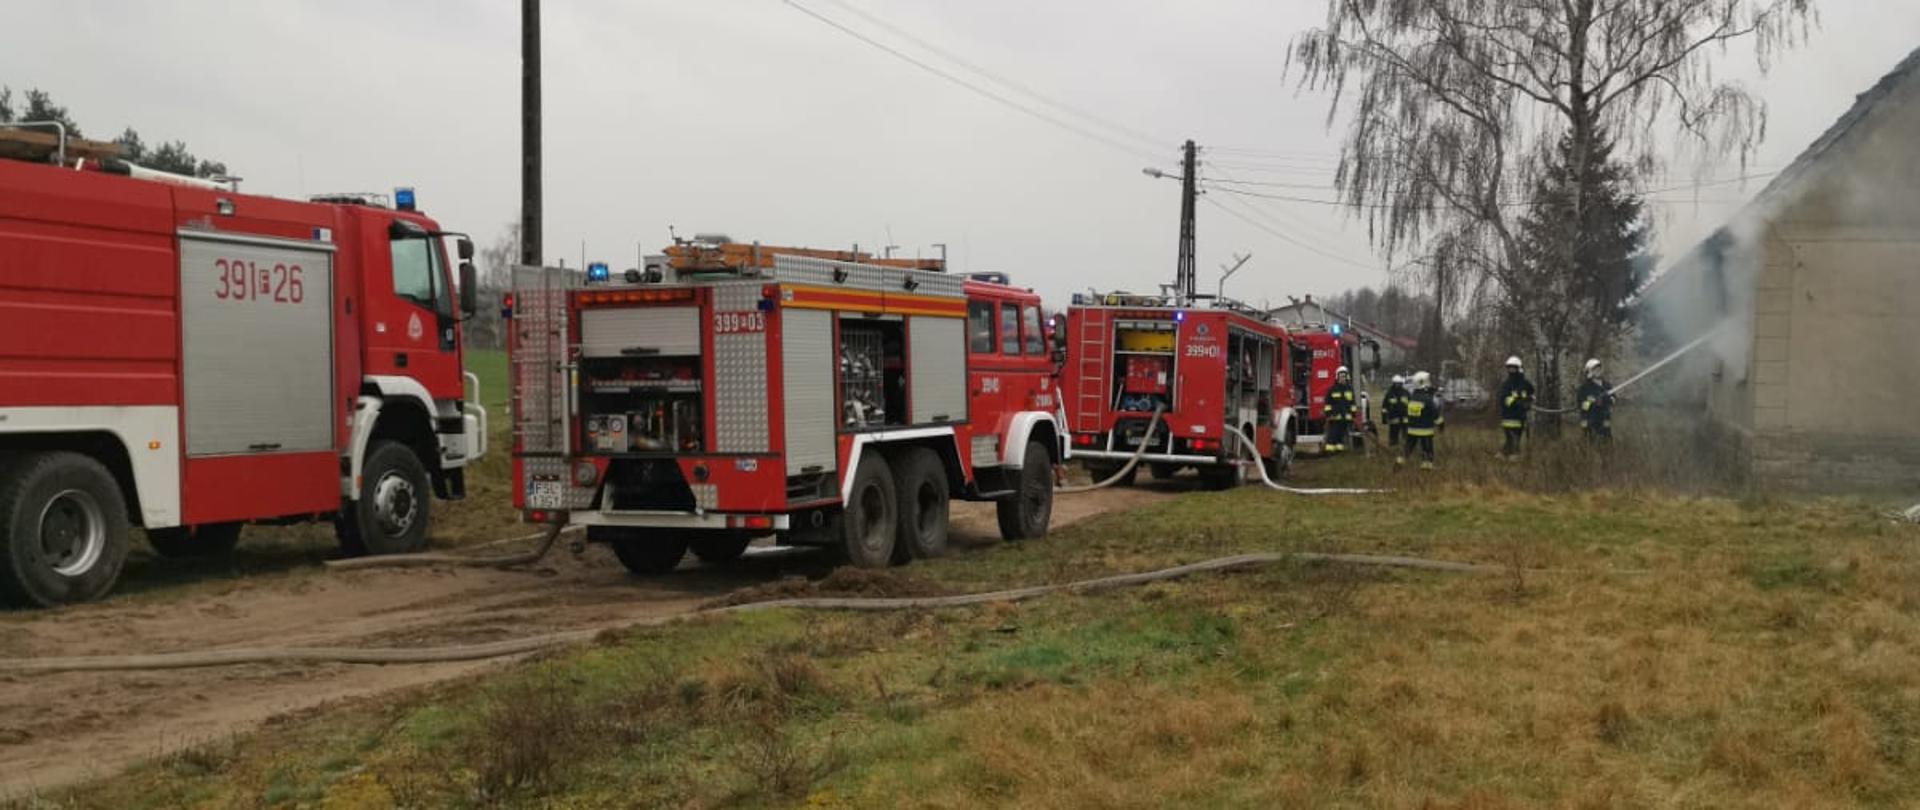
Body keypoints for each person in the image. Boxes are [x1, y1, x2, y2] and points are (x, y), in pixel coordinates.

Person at [1398, 370, 1444, 470]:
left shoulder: (1412, 398)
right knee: (1427, 449)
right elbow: (1434, 413)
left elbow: (1409, 414)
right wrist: (1441, 424)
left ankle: (1400, 462)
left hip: (1412, 430)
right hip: (1425, 430)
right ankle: (1427, 466)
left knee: (1408, 447)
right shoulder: (1427, 399)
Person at [1497, 356, 1535, 459]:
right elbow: (1504, 400)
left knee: (1517, 437)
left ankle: (1510, 454)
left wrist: (1528, 400)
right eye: (1509, 368)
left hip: (1520, 416)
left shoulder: (1525, 383)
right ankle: (1508, 454)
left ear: (1519, 368)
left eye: (1513, 368)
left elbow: (1531, 393)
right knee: (1510, 438)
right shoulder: (1506, 384)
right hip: (1508, 416)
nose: (1511, 370)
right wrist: (1516, 401)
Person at [1578, 358, 1614, 442]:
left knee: (1607, 440)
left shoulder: (1606, 385)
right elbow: (1583, 407)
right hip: (1590, 420)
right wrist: (1591, 401)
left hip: (1604, 418)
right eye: (1595, 369)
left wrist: (1610, 400)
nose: (1598, 371)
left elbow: (1613, 399)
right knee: (1589, 441)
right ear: (1589, 371)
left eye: (1599, 369)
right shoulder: (1584, 388)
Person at [1324, 365, 1355, 454]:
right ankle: (1329, 451)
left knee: (1341, 435)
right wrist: (1329, 414)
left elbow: (1352, 403)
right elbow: (1327, 404)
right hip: (1335, 417)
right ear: (1337, 377)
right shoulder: (1332, 390)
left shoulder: (1350, 389)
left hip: (1346, 418)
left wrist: (1353, 414)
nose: (1342, 378)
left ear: (1347, 377)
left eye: (1344, 376)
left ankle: (1339, 450)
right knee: (1333, 435)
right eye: (1341, 376)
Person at [1383, 374, 1410, 447]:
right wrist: (1384, 418)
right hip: (1394, 418)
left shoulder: (1406, 393)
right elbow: (1384, 406)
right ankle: (1393, 447)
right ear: (1393, 383)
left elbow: (1410, 404)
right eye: (1396, 383)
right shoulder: (1389, 393)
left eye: (1399, 383)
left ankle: (1406, 447)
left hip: (1405, 418)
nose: (1398, 385)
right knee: (1393, 435)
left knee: (1406, 435)